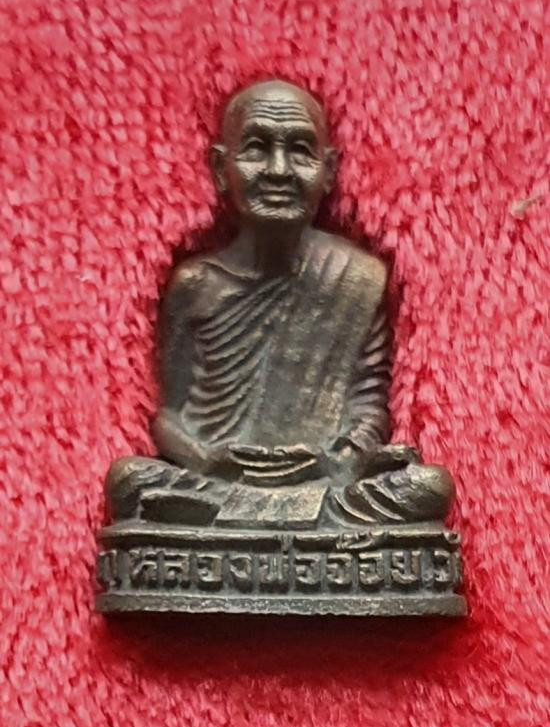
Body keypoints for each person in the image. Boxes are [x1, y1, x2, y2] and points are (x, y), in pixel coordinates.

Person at [105, 80, 454, 528]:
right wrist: (206, 460)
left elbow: (368, 406)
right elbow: (170, 416)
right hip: (218, 479)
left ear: (328, 171)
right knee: (129, 480)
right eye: (256, 148)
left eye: (301, 151)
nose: (278, 170)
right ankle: (264, 522)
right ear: (220, 168)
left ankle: (244, 524)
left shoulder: (359, 279)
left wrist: (340, 459)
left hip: (320, 480)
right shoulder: (195, 285)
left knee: (428, 487)